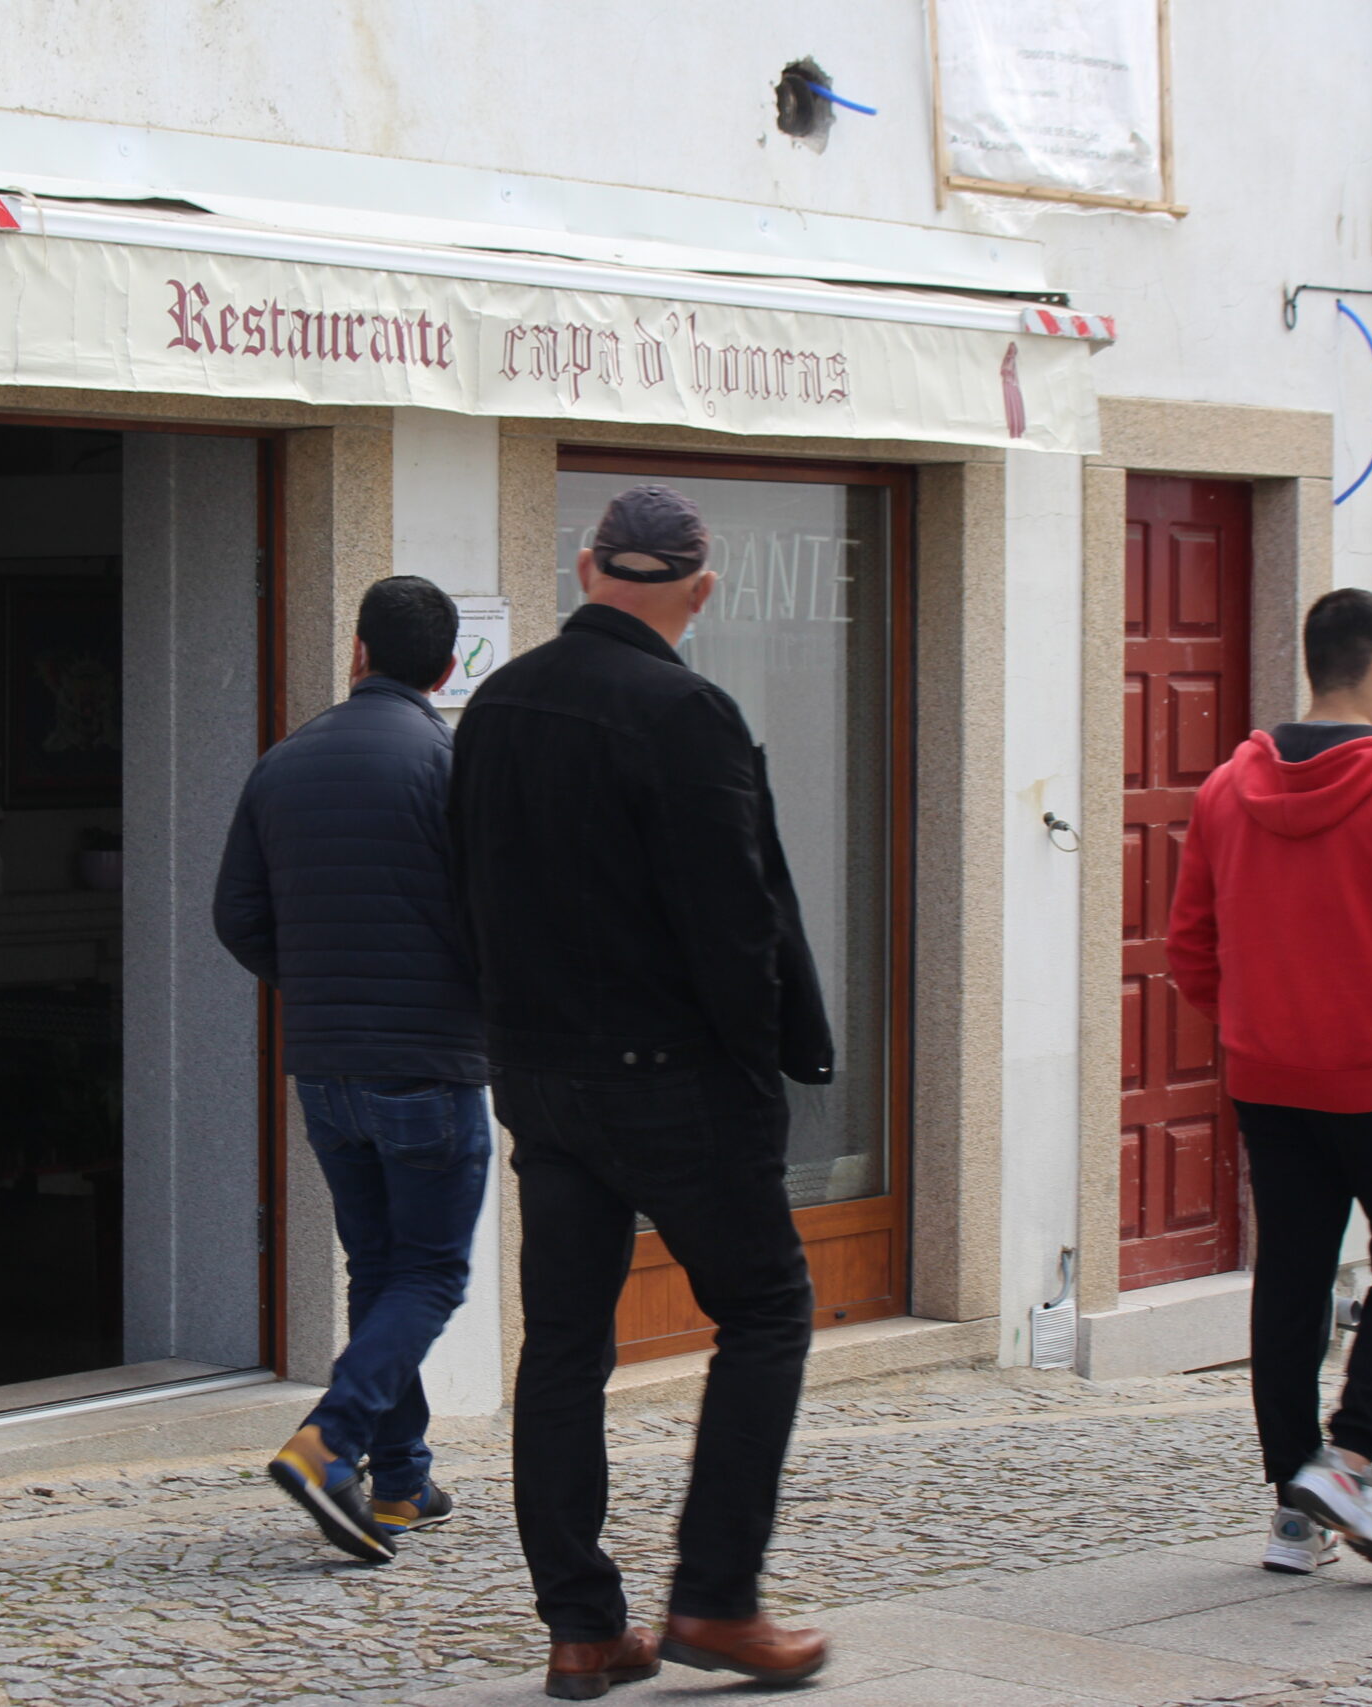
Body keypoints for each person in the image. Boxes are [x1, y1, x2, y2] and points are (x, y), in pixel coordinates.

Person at [450, 485, 835, 1700]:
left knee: (563, 1347)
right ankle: (716, 1599)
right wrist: (758, 1079)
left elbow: (463, 884)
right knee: (767, 1310)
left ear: (583, 566)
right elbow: (737, 923)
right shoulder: (685, 711)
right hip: (667, 1078)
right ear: (700, 589)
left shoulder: (497, 701)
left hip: (541, 1080)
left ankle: (580, 1627)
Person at [1168, 587, 1372, 1577]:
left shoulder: (1227, 789)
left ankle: (1292, 1514)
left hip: (1271, 1083)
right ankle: (1347, 1460)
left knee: (1292, 1279)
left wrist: (1254, 1027)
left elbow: (1188, 946)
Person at [213, 576, 489, 1566]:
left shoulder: (283, 765)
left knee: (379, 1268)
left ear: (358, 653)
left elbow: (236, 916)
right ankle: (331, 1439)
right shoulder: (451, 766)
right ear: (448, 670)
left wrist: (320, 985)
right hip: (427, 1065)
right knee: (430, 1273)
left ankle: (403, 1481)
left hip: (324, 1067)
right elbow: (493, 923)